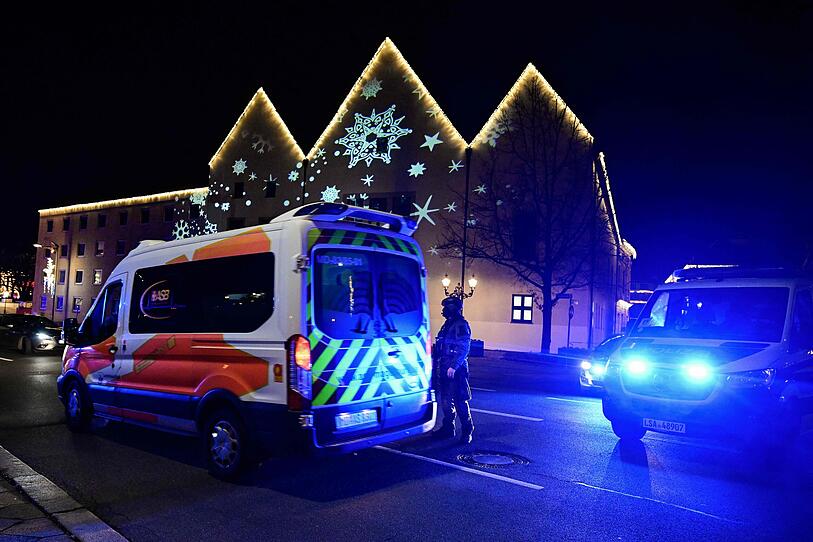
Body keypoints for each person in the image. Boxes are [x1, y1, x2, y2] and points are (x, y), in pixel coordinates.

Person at [433, 296, 474, 444]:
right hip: (445, 367)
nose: (444, 310)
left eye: (447, 307)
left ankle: (467, 431)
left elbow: (464, 347)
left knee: (460, 401)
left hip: (456, 370)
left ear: (455, 309)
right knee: (445, 401)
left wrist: (454, 366)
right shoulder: (447, 325)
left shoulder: (460, 325)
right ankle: (448, 429)